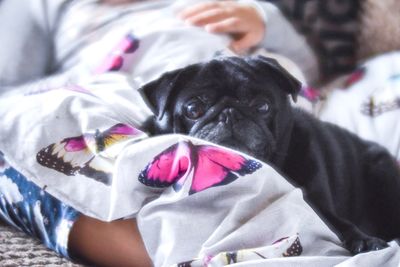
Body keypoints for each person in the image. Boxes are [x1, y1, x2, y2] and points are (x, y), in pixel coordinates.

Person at [0, 0, 319, 266]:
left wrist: (265, 22)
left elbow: (308, 66)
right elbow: (9, 87)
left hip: (250, 88)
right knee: (35, 123)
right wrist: (79, 82)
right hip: (122, 89)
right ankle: (185, 247)